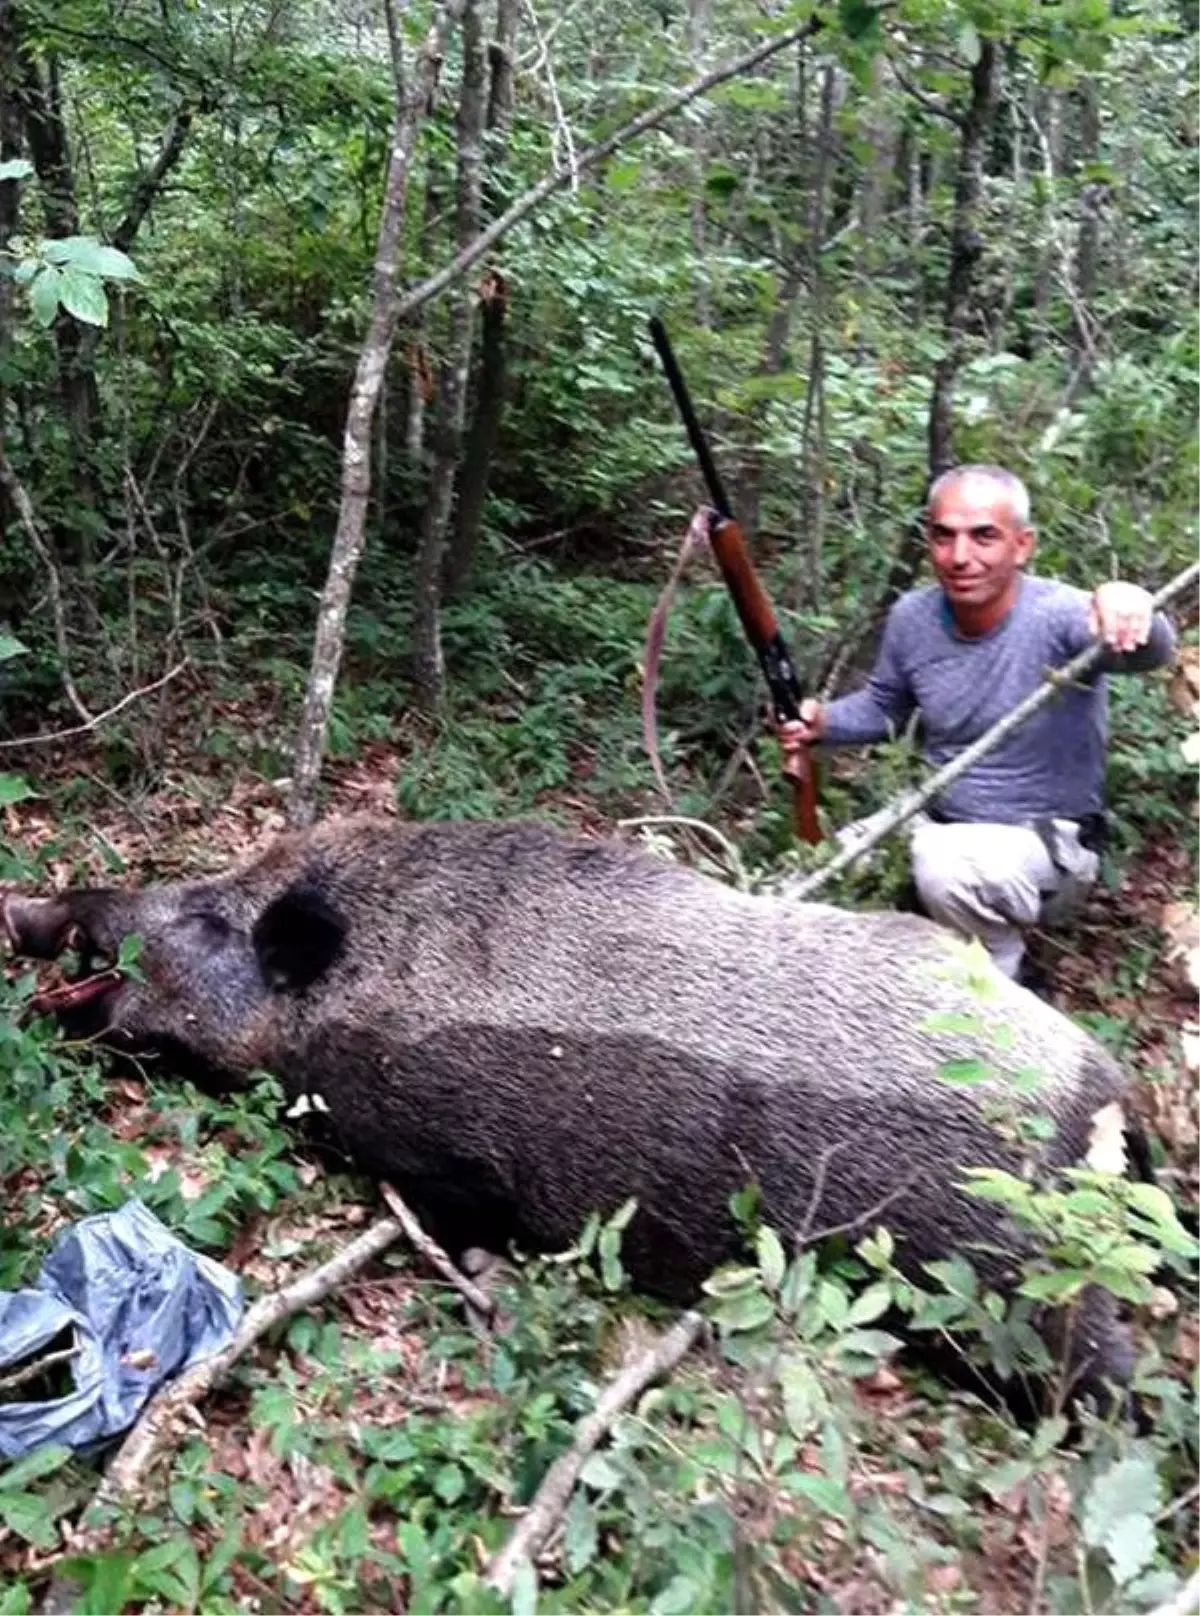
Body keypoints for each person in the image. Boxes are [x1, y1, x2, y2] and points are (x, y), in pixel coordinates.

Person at [778, 464, 1178, 985]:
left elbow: (1150, 649)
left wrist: (1127, 602)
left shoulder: (1059, 616)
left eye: (984, 537)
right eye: (944, 537)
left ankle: (1001, 992)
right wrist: (820, 724)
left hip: (1048, 845)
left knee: (944, 864)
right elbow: (884, 706)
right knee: (808, 881)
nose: (960, 557)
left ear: (1022, 545)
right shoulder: (913, 617)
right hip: (937, 818)